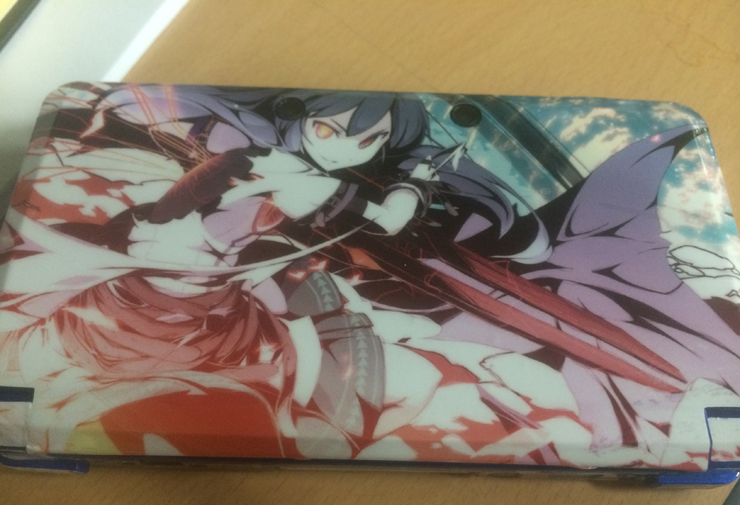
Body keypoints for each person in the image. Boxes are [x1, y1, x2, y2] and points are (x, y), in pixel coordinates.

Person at [1, 83, 738, 469]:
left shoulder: (359, 182)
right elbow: (200, 198)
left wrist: (409, 191)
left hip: (366, 285)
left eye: (364, 139)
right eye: (329, 129)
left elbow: (424, 207)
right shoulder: (256, 163)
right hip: (178, 301)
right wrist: (167, 231)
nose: (341, 145)